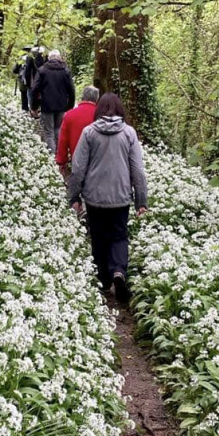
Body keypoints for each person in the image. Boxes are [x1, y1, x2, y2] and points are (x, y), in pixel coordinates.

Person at [68, 93, 148, 302]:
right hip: (120, 197)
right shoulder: (129, 133)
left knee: (99, 237)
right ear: (120, 110)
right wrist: (141, 200)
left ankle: (104, 281)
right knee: (119, 235)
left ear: (98, 110)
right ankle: (119, 271)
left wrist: (74, 196)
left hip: (94, 197)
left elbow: (77, 168)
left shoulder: (89, 133)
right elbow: (137, 170)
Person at [30, 49, 75, 152]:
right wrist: (69, 106)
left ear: (49, 58)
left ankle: (52, 156)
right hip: (61, 106)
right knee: (58, 129)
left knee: (48, 132)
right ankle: (60, 154)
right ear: (59, 58)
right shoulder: (65, 71)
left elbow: (35, 89)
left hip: (47, 105)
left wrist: (34, 107)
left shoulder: (42, 70)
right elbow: (71, 90)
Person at [55, 85, 99, 177]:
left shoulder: (70, 115)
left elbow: (63, 140)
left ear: (82, 97)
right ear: (96, 99)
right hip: (97, 161)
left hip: (77, 159)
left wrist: (62, 161)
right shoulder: (100, 116)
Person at [24, 46, 45, 115]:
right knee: (40, 95)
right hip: (42, 81)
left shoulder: (29, 58)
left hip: (32, 81)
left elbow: (27, 71)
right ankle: (39, 110)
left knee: (31, 95)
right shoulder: (43, 58)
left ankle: (33, 111)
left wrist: (27, 82)